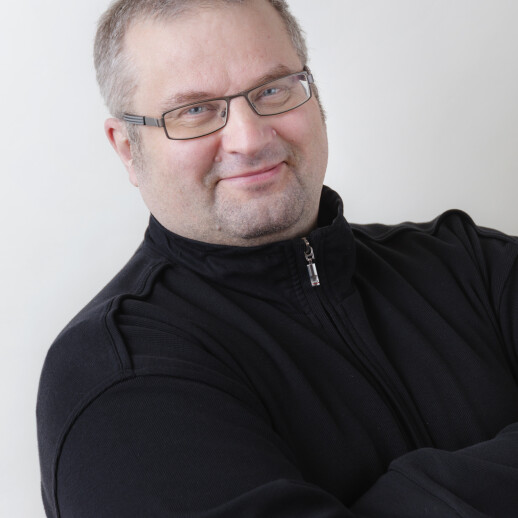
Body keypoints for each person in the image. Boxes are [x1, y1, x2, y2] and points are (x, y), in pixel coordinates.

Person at [36, 0, 518, 516]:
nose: (249, 139)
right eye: (194, 111)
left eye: (271, 90)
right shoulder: (116, 373)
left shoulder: (471, 264)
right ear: (128, 149)